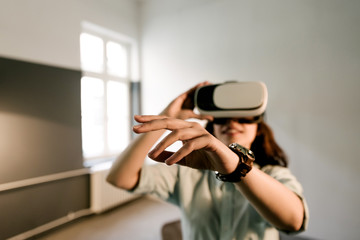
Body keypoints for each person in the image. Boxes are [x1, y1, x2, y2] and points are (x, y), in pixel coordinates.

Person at [107, 82, 309, 240]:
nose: (232, 123)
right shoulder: (186, 173)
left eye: (243, 117)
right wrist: (166, 117)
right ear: (212, 126)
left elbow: (294, 221)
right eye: (222, 118)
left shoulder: (273, 174)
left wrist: (236, 167)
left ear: (258, 127)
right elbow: (120, 178)